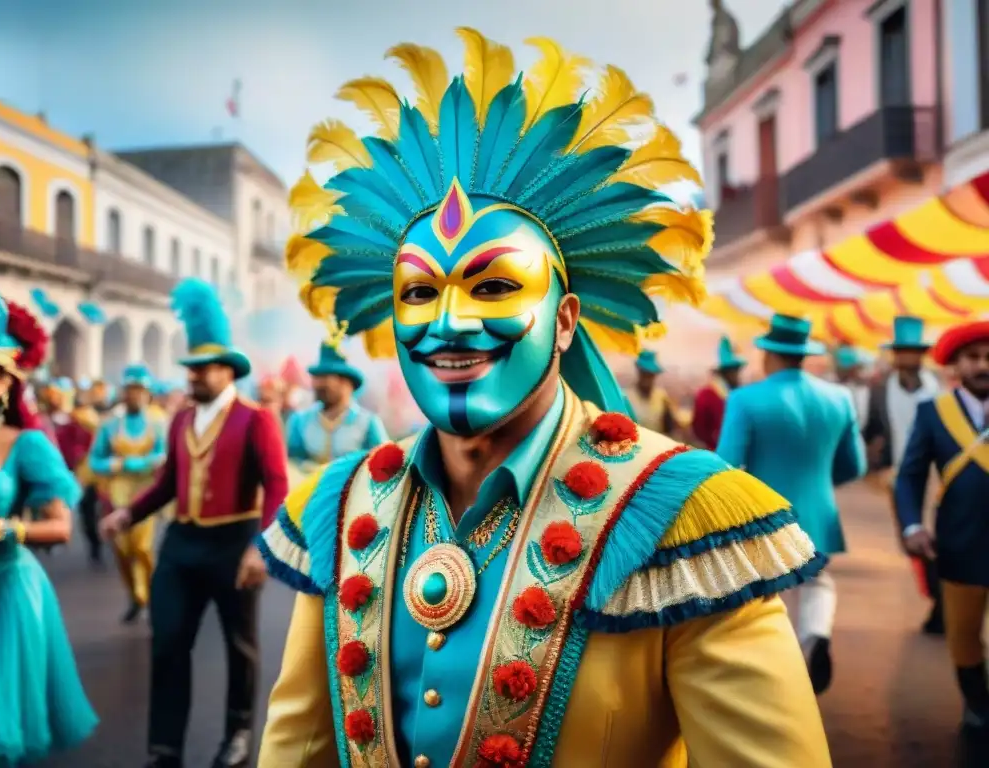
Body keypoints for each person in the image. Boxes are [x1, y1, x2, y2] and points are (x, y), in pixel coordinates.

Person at [255, 31, 830, 767]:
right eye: (421, 293)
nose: (450, 321)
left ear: (565, 320)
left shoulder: (686, 516)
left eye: (493, 287)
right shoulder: (338, 506)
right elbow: (296, 748)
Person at [99, 278, 288, 768]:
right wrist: (129, 513)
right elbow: (167, 483)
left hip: (234, 542)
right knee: (168, 644)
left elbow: (277, 486)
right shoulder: (181, 420)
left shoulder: (257, 418)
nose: (192, 377)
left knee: (239, 646)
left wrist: (260, 549)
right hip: (181, 544)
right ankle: (165, 748)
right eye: (191, 368)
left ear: (228, 371)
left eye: (202, 369)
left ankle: (238, 733)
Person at [0, 285, 98, 765]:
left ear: (5, 383)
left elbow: (61, 527)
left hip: (4, 592)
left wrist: (1, 527)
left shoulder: (27, 445)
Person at [717, 314, 866, 696]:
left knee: (765, 592)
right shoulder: (839, 398)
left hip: (763, 515)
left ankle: (774, 670)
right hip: (820, 511)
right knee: (817, 582)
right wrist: (817, 484)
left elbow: (727, 466)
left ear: (769, 354)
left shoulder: (745, 399)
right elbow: (856, 466)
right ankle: (814, 635)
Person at [895, 319, 989, 745]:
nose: (983, 365)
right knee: (963, 632)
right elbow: (910, 476)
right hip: (959, 542)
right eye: (973, 358)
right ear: (955, 366)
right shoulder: (933, 413)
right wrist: (913, 524)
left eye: (988, 358)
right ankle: (977, 702)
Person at [865, 315, 944, 634]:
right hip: (901, 478)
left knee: (938, 537)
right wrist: (877, 460)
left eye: (913, 351)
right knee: (911, 540)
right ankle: (937, 597)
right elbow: (872, 428)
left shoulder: (937, 391)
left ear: (922, 355)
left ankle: (942, 604)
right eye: (902, 351)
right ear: (895, 355)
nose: (907, 357)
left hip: (938, 476)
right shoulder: (880, 391)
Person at [88, 362, 166, 624]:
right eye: (129, 389)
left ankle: (153, 596)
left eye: (139, 390)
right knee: (122, 551)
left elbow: (163, 454)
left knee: (143, 548)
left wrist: (142, 463)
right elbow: (94, 460)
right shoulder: (110, 425)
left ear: (147, 393)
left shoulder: (157, 423)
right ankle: (135, 595)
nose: (134, 395)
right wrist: (115, 464)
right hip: (117, 495)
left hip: (146, 494)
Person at [284, 330, 389, 472]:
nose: (318, 384)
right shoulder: (300, 421)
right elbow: (293, 461)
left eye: (326, 377)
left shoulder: (368, 423)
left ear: (346, 383)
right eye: (317, 378)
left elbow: (385, 467)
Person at [45, 377, 102, 565]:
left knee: (88, 514)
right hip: (53, 474)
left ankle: (95, 545)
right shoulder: (41, 420)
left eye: (59, 395)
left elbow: (92, 444)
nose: (55, 399)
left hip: (82, 474)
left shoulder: (81, 418)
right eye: (53, 394)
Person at [691, 335, 745, 449]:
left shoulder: (737, 394)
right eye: (734, 371)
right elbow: (699, 431)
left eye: (737, 371)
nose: (737, 375)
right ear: (724, 372)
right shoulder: (706, 395)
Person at [626, 349, 680, 437]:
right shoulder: (627, 397)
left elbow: (669, 428)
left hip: (657, 447)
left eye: (650, 375)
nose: (647, 378)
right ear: (639, 372)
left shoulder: (661, 397)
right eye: (644, 373)